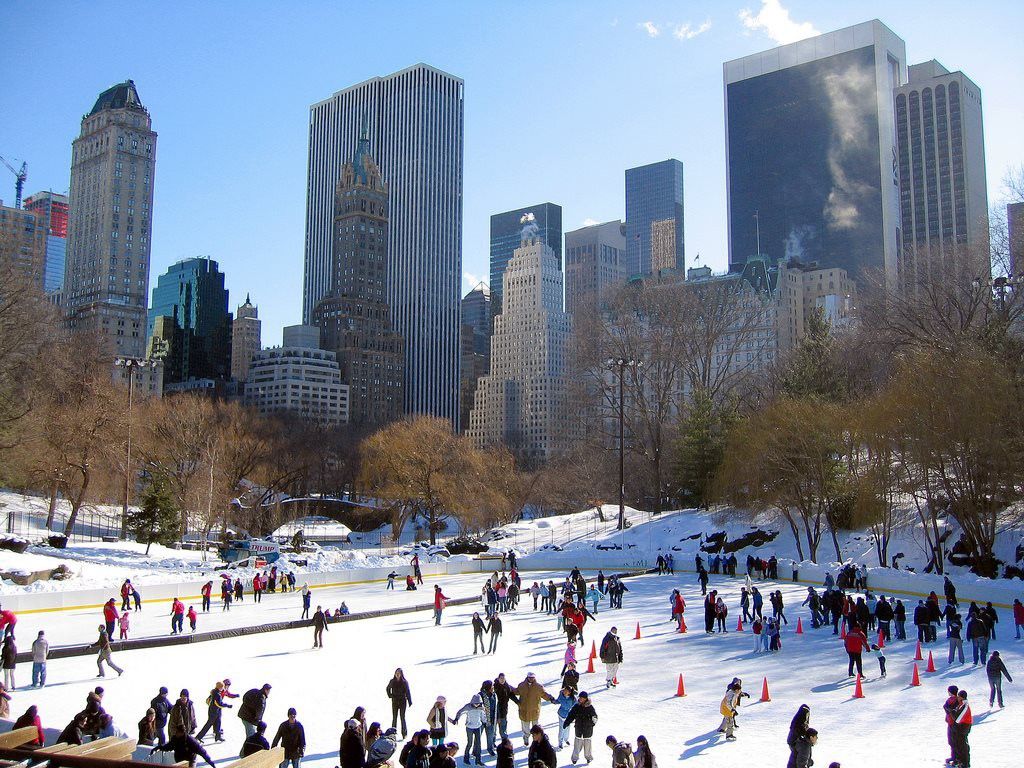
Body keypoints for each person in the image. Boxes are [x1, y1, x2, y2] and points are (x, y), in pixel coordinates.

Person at [514, 671, 556, 745]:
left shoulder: (538, 687)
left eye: (533, 678)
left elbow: (544, 694)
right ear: (527, 677)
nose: (531, 679)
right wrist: (508, 687)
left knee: (535, 728)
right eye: (530, 677)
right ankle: (526, 737)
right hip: (524, 710)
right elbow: (516, 691)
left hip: (534, 710)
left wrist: (551, 698)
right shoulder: (522, 685)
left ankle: (535, 740)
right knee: (526, 728)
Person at [450, 693, 487, 765]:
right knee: (469, 743)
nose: (476, 705)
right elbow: (460, 712)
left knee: (478, 744)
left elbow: (483, 715)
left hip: (478, 727)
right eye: (475, 703)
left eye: (478, 703)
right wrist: (457, 718)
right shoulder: (468, 707)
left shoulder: (481, 708)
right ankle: (466, 759)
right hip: (469, 727)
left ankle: (478, 761)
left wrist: (485, 722)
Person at [563, 690, 597, 764]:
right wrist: (566, 722)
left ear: (586, 699)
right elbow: (571, 715)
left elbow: (595, 717)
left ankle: (588, 757)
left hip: (588, 729)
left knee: (587, 744)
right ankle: (574, 758)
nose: (580, 699)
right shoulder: (576, 706)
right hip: (578, 728)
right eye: (580, 697)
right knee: (577, 744)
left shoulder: (590, 707)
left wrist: (591, 724)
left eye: (582, 698)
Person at [386, 668, 412, 738]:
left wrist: (409, 701)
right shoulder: (392, 681)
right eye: (396, 673)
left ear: (401, 674)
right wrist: (390, 695)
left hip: (402, 701)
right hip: (394, 701)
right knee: (394, 717)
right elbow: (388, 688)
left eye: (399, 673)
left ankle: (404, 733)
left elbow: (408, 691)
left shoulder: (404, 682)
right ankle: (392, 733)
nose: (397, 674)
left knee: (402, 717)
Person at [950, 689, 972, 768]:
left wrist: (951, 712)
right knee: (958, 744)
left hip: (964, 726)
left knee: (963, 745)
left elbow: (957, 719)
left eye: (959, 696)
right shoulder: (961, 704)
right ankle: (959, 761)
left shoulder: (964, 705)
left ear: (962, 697)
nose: (957, 698)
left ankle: (965, 763)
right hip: (960, 726)